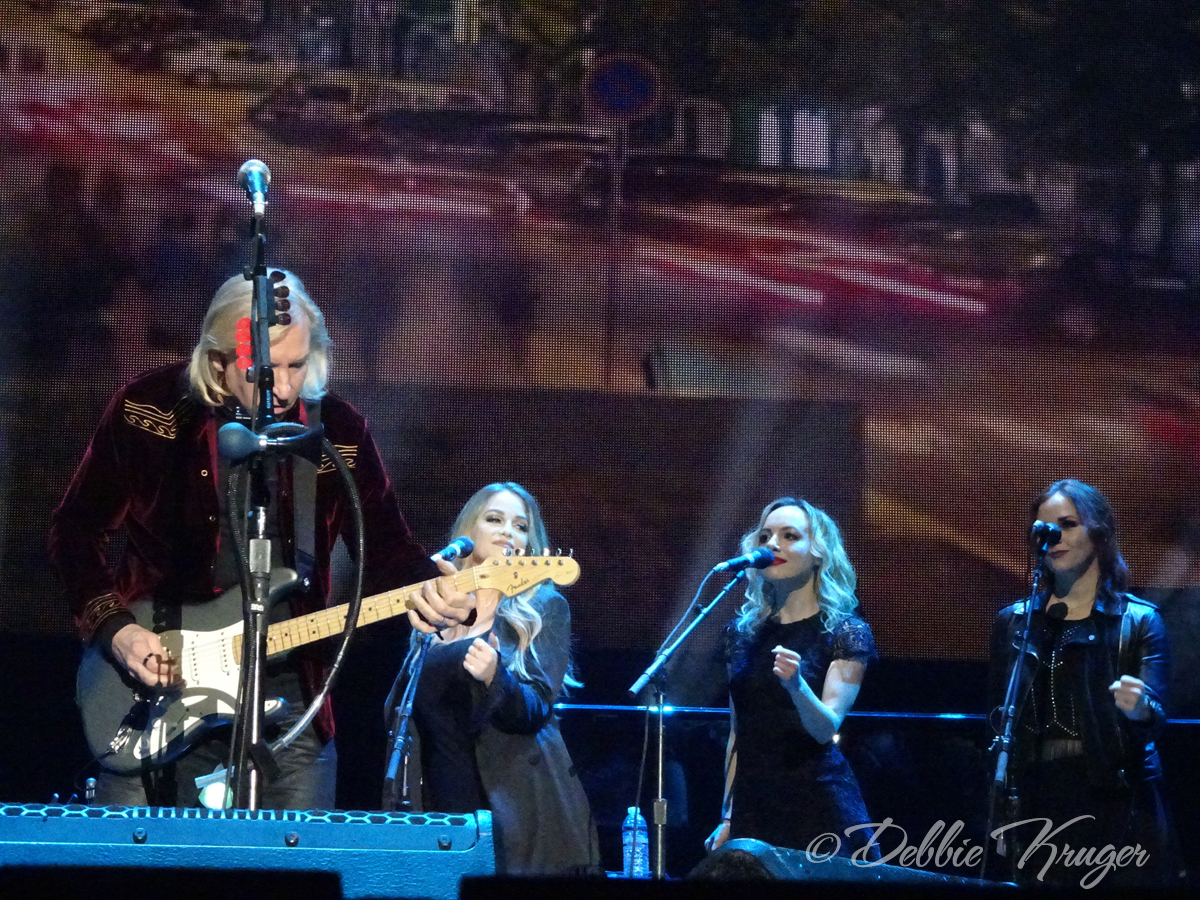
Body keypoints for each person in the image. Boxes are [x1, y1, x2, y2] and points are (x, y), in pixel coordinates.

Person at [48, 269, 473, 809]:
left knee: (293, 856)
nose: (286, 388)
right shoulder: (148, 408)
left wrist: (433, 589)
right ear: (219, 360)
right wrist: (116, 630)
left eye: (298, 365)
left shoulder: (338, 432)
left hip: (290, 697)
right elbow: (74, 530)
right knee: (143, 857)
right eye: (267, 370)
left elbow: (389, 550)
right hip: (155, 681)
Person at [388, 482, 601, 875]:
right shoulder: (436, 612)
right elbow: (400, 708)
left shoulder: (543, 608)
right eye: (494, 519)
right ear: (468, 532)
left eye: (521, 526)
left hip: (509, 805)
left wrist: (494, 675)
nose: (508, 532)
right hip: (437, 803)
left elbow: (534, 709)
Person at [988, 479, 1180, 887]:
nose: (1054, 537)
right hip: (1037, 797)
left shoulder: (1139, 621)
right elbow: (999, 723)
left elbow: (1155, 720)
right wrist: (1002, 809)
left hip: (1115, 799)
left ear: (1099, 533)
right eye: (1044, 529)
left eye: (1068, 524)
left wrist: (1140, 708)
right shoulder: (1015, 622)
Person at [704, 497, 878, 858]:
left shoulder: (845, 632)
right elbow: (738, 733)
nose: (772, 544)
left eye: (790, 536)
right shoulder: (742, 634)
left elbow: (824, 729)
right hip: (754, 807)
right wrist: (728, 816)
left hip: (816, 806)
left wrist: (797, 686)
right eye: (765, 536)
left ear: (817, 554)